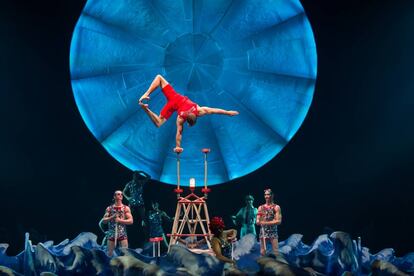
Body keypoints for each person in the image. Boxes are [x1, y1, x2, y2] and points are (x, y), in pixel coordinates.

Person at [138, 75, 239, 153]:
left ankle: (147, 93)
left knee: (159, 78)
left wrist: (227, 112)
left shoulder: (198, 109)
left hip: (174, 96)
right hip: (172, 106)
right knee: (159, 123)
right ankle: (146, 109)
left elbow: (214, 110)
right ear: (189, 120)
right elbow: (179, 133)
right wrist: (177, 147)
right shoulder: (181, 118)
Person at [101, 191, 133, 257]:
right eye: (118, 194)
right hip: (112, 233)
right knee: (109, 254)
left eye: (121, 194)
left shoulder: (126, 208)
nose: (121, 195)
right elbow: (104, 221)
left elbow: (131, 221)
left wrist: (120, 220)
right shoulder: (109, 208)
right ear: (114, 196)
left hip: (122, 233)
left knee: (125, 254)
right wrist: (112, 217)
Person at [256, 189, 282, 256]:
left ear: (272, 195)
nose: (266, 196)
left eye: (268, 194)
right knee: (262, 251)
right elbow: (258, 221)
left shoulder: (276, 207)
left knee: (276, 251)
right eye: (265, 195)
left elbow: (278, 221)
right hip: (263, 231)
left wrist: (265, 223)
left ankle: (277, 264)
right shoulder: (260, 207)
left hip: (273, 231)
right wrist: (258, 221)